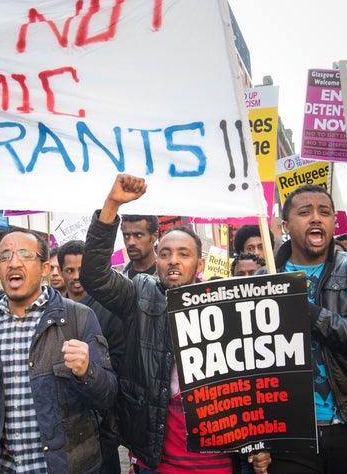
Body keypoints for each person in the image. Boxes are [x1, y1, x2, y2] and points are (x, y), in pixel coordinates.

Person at [81, 174, 270, 474]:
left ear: (199, 263)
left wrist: (260, 444)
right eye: (166, 253)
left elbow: (253, 383)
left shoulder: (225, 303)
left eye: (184, 254)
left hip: (216, 461)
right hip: (157, 459)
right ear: (156, 259)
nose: (173, 261)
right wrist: (111, 205)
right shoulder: (140, 293)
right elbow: (93, 275)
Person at [0, 230, 117, 473]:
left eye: (24, 254)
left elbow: (107, 397)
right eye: (4, 257)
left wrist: (87, 371)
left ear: (44, 268)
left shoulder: (78, 317)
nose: (13, 262)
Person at [257, 185, 347, 473]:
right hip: (289, 434)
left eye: (324, 212)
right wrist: (256, 439)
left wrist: (311, 313)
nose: (316, 218)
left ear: (333, 223)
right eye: (305, 212)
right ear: (287, 226)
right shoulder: (264, 279)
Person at [58, 239, 125, 474]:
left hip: (103, 426)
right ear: (60, 272)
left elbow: (118, 367)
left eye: (82, 269)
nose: (76, 276)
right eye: (70, 270)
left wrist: (90, 368)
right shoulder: (51, 312)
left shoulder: (110, 309)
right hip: (63, 428)